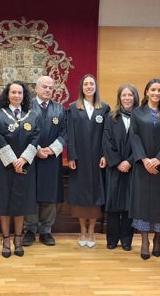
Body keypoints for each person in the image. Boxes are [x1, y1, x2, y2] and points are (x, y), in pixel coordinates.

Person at [0, 81, 40, 257]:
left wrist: (24, 159)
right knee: (4, 204)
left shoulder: (32, 116)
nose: (17, 96)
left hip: (25, 167)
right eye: (13, 92)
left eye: (20, 93)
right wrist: (12, 160)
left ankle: (18, 240)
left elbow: (35, 138)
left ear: (24, 96)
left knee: (21, 203)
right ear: (7, 95)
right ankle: (5, 241)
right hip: (4, 167)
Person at [129, 78, 160, 260]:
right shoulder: (137, 113)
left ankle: (158, 239)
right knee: (143, 204)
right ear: (146, 92)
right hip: (142, 167)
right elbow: (134, 136)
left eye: (159, 90)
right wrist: (144, 159)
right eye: (153, 90)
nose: (156, 93)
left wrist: (159, 159)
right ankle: (145, 241)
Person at [22, 76, 67, 247]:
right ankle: (30, 230)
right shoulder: (27, 107)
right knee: (31, 194)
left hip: (51, 159)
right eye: (44, 87)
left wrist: (51, 149)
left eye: (50, 87)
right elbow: (22, 132)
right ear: (37, 88)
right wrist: (36, 149)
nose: (48, 90)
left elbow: (65, 133)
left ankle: (46, 230)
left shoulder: (60, 109)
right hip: (31, 158)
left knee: (49, 195)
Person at [67, 74, 110, 248]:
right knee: (80, 196)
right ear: (81, 87)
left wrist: (104, 155)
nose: (89, 86)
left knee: (95, 195)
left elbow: (108, 136)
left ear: (96, 87)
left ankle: (91, 231)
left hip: (97, 160)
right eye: (86, 84)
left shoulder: (104, 109)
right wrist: (71, 156)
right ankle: (82, 230)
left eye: (92, 84)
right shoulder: (72, 108)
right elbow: (70, 134)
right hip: (79, 160)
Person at [102, 83, 139, 251]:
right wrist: (117, 162)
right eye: (124, 95)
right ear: (119, 98)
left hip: (133, 167)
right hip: (114, 168)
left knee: (128, 206)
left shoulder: (140, 117)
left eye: (130, 95)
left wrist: (129, 161)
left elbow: (142, 143)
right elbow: (106, 141)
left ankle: (126, 239)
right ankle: (112, 239)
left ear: (135, 97)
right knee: (113, 205)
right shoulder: (111, 117)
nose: (127, 98)